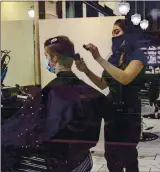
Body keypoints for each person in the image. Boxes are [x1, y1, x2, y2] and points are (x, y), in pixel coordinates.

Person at [1, 36, 105, 172]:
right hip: (78, 156)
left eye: (46, 56)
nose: (46, 60)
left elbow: (47, 130)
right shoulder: (90, 93)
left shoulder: (54, 91)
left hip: (58, 160)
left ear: (54, 58)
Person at [76, 19, 147, 172]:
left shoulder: (138, 56)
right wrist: (86, 70)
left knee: (129, 157)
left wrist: (99, 59)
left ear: (128, 34)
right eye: (112, 33)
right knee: (112, 158)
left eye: (117, 32)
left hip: (129, 113)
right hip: (112, 113)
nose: (114, 36)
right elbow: (103, 84)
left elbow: (125, 78)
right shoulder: (113, 58)